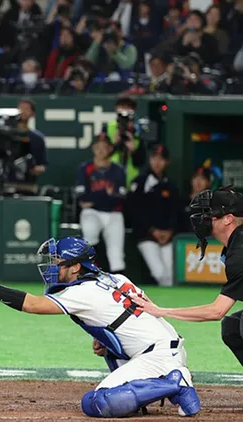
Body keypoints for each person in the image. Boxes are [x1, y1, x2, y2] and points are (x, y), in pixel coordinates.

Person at [0, 237, 200, 418]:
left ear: (76, 266)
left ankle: (175, 383)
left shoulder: (82, 292)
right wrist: (107, 336)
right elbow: (140, 313)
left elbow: (33, 305)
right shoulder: (116, 278)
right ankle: (172, 386)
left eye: (57, 262)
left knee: (96, 402)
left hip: (156, 357)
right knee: (107, 349)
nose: (52, 266)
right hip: (170, 348)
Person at [131, 187, 243, 366]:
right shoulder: (235, 243)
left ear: (228, 219)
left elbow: (217, 311)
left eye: (210, 215)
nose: (203, 219)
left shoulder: (239, 253)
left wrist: (161, 311)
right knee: (232, 327)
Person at [126, 145, 179, 287]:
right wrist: (152, 230)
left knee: (172, 275)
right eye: (154, 158)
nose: (157, 162)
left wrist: (169, 231)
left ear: (167, 162)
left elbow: (175, 212)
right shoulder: (139, 182)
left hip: (167, 237)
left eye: (161, 159)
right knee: (159, 273)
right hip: (146, 236)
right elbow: (134, 211)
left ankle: (171, 300)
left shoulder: (171, 186)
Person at [76, 133, 127, 273]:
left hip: (114, 214)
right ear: (93, 148)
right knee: (89, 235)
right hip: (92, 212)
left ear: (110, 148)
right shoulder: (84, 168)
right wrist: (106, 193)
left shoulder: (118, 170)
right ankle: (91, 274)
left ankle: (118, 284)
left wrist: (94, 198)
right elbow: (82, 198)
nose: (100, 150)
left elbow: (120, 198)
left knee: (117, 256)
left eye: (104, 147)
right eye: (97, 147)